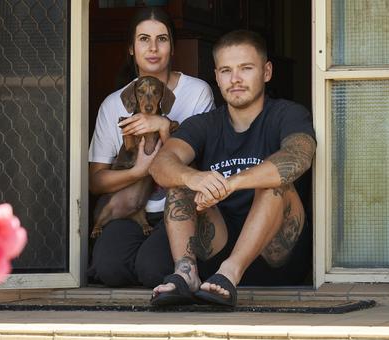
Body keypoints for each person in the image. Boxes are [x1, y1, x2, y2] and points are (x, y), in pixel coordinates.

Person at [148, 30, 316, 307]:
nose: (235, 79)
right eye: (226, 71)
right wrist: (193, 177)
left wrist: (232, 182)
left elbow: (299, 156)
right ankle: (186, 274)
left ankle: (231, 272)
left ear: (267, 72)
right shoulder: (205, 124)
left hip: (276, 256)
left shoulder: (288, 114)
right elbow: (160, 164)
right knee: (180, 181)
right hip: (217, 245)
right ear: (216, 77)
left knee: (274, 181)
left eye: (246, 69)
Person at [87, 7, 215, 288]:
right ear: (131, 48)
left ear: (173, 46)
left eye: (162, 39)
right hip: (131, 209)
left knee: (153, 270)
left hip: (181, 208)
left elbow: (199, 165)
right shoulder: (113, 105)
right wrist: (139, 171)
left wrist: (162, 125)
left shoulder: (197, 92)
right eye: (144, 39)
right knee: (109, 270)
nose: (153, 48)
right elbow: (96, 182)